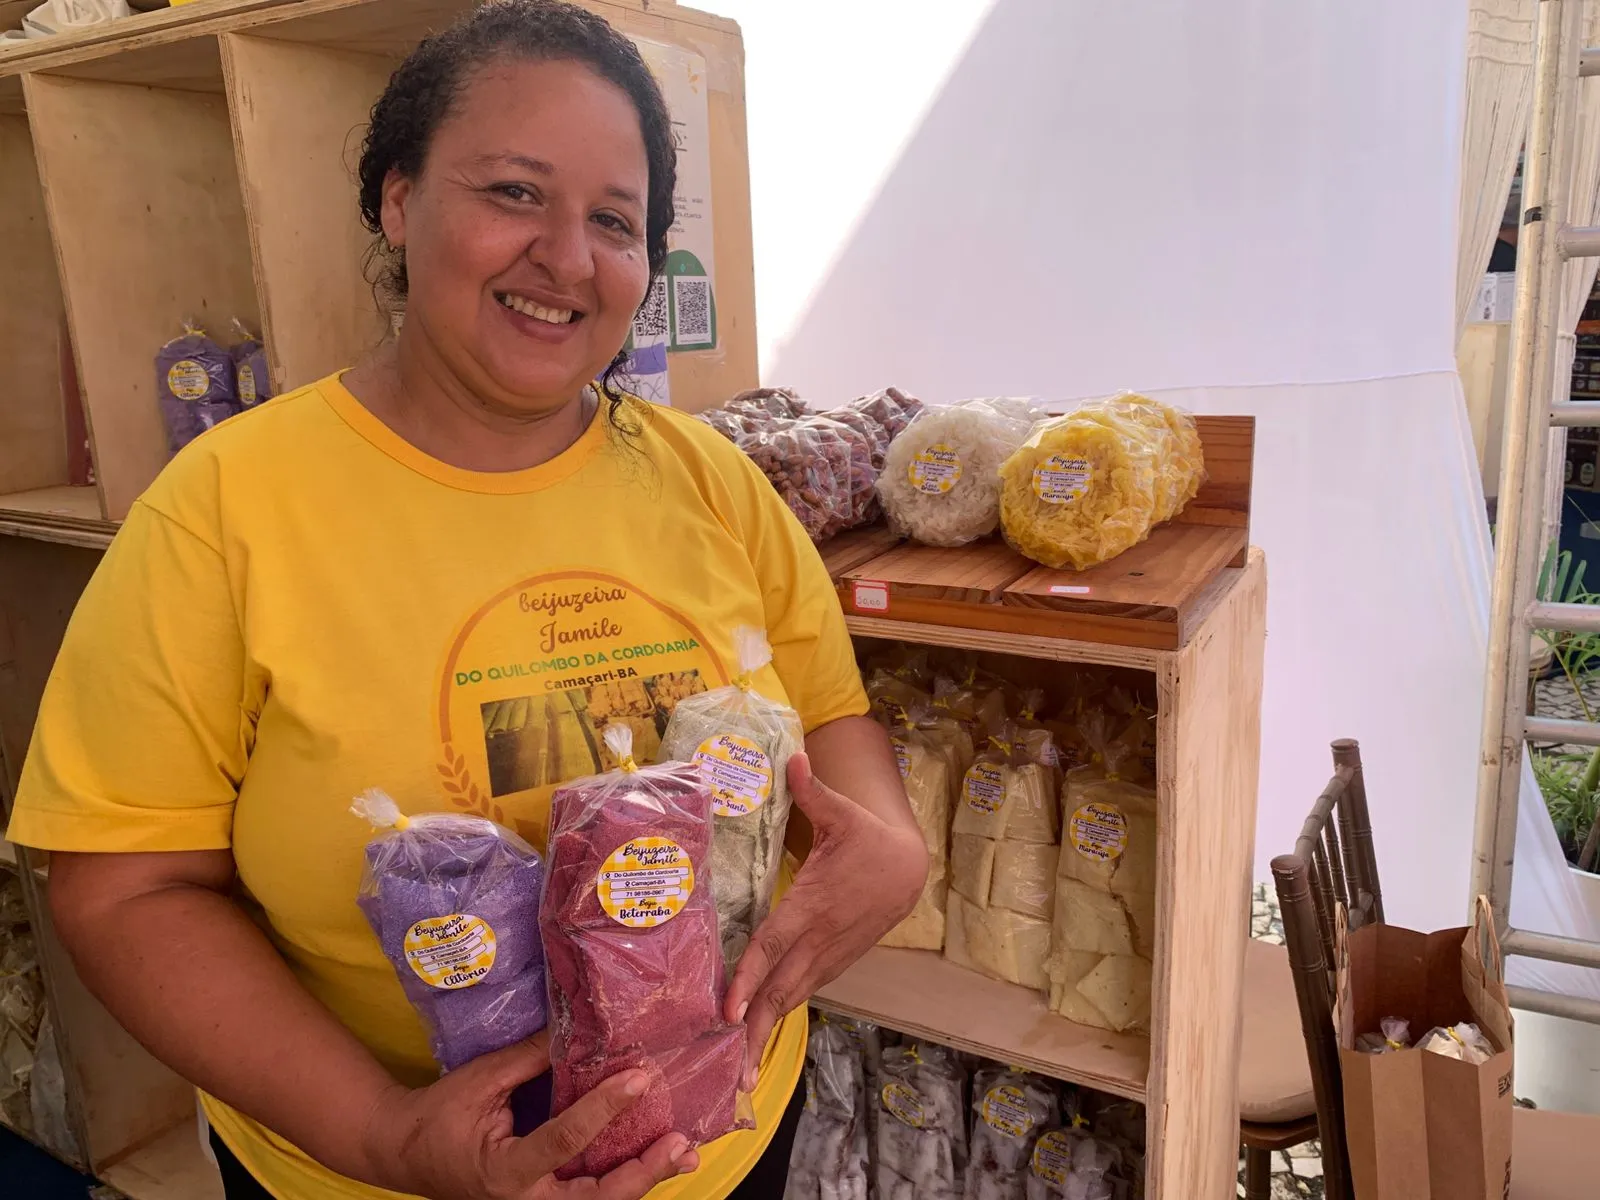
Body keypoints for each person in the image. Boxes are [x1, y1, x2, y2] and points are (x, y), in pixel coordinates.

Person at [4, 3, 927, 1198]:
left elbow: (829, 712)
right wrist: (388, 1135)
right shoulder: (225, 507)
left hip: (721, 1141)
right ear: (398, 199)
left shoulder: (710, 479)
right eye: (512, 193)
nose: (566, 256)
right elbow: (122, 888)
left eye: (614, 221)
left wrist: (890, 840)